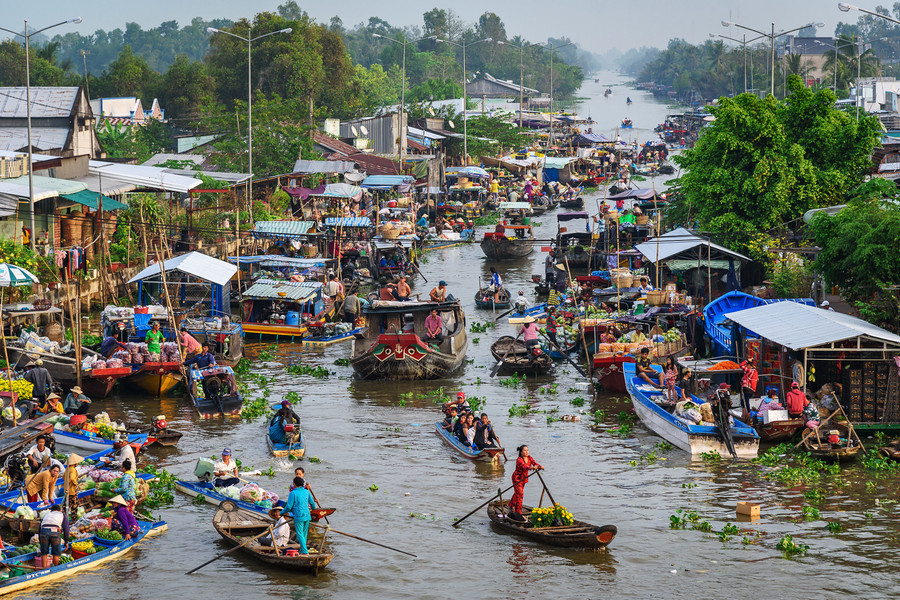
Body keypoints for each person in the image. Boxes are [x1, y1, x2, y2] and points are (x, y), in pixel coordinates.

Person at [280, 476, 317, 555]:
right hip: (307, 515)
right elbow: (312, 503)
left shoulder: (293, 493)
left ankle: (305, 551)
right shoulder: (307, 492)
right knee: (304, 534)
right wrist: (313, 509)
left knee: (299, 534)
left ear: (294, 484)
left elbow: (289, 506)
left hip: (299, 515)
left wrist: (282, 512)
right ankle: (302, 549)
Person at [508, 445, 542, 521]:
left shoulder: (529, 458)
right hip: (517, 478)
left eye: (527, 450)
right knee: (520, 494)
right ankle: (518, 512)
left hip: (524, 478)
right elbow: (524, 466)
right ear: (521, 452)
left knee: (517, 493)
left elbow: (534, 463)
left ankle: (510, 505)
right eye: (525, 450)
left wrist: (539, 466)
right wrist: (531, 468)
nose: (527, 452)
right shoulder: (519, 459)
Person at [36, 504, 68, 570]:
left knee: (44, 553)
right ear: (59, 510)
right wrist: (66, 541)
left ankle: (44, 569)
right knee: (56, 553)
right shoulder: (62, 515)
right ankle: (55, 569)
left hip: (43, 531)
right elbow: (66, 529)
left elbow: (39, 528)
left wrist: (40, 539)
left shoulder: (46, 515)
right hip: (55, 532)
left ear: (52, 510)